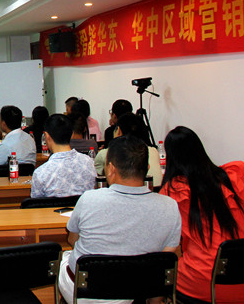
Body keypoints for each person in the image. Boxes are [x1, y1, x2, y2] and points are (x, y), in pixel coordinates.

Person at [58, 135, 181, 304]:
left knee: (64, 256)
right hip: (135, 290)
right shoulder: (170, 206)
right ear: (147, 168)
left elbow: (72, 239)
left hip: (85, 292)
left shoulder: (89, 199)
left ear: (111, 169)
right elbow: (164, 262)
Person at [160, 126, 244, 303]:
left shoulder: (175, 191)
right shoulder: (228, 179)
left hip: (208, 286)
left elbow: (165, 245)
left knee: (162, 274)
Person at [30, 114, 96, 198]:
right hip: (84, 206)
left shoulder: (41, 173)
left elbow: (36, 203)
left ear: (47, 136)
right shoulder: (89, 163)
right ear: (72, 134)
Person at [94, 112, 162, 187]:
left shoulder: (106, 154)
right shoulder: (153, 151)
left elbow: (96, 179)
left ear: (118, 131)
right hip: (152, 192)